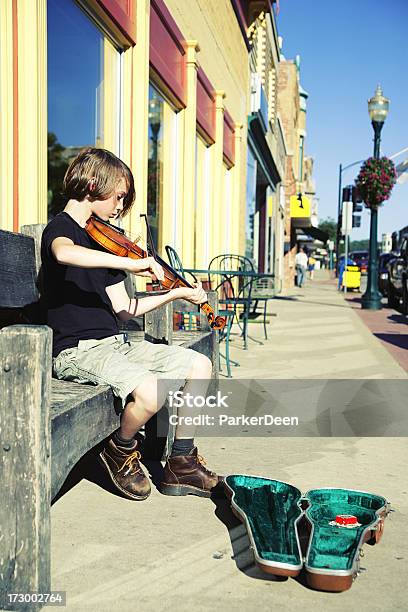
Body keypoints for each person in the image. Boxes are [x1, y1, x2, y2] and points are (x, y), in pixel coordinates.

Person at [41, 147, 222, 501]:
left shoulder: (100, 239)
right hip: (78, 352)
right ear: (93, 184)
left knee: (200, 365)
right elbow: (63, 252)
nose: (120, 207)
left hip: (116, 345)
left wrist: (177, 293)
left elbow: (125, 309)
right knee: (153, 390)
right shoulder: (62, 228)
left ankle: (181, 462)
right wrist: (128, 264)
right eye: (118, 196)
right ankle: (119, 449)